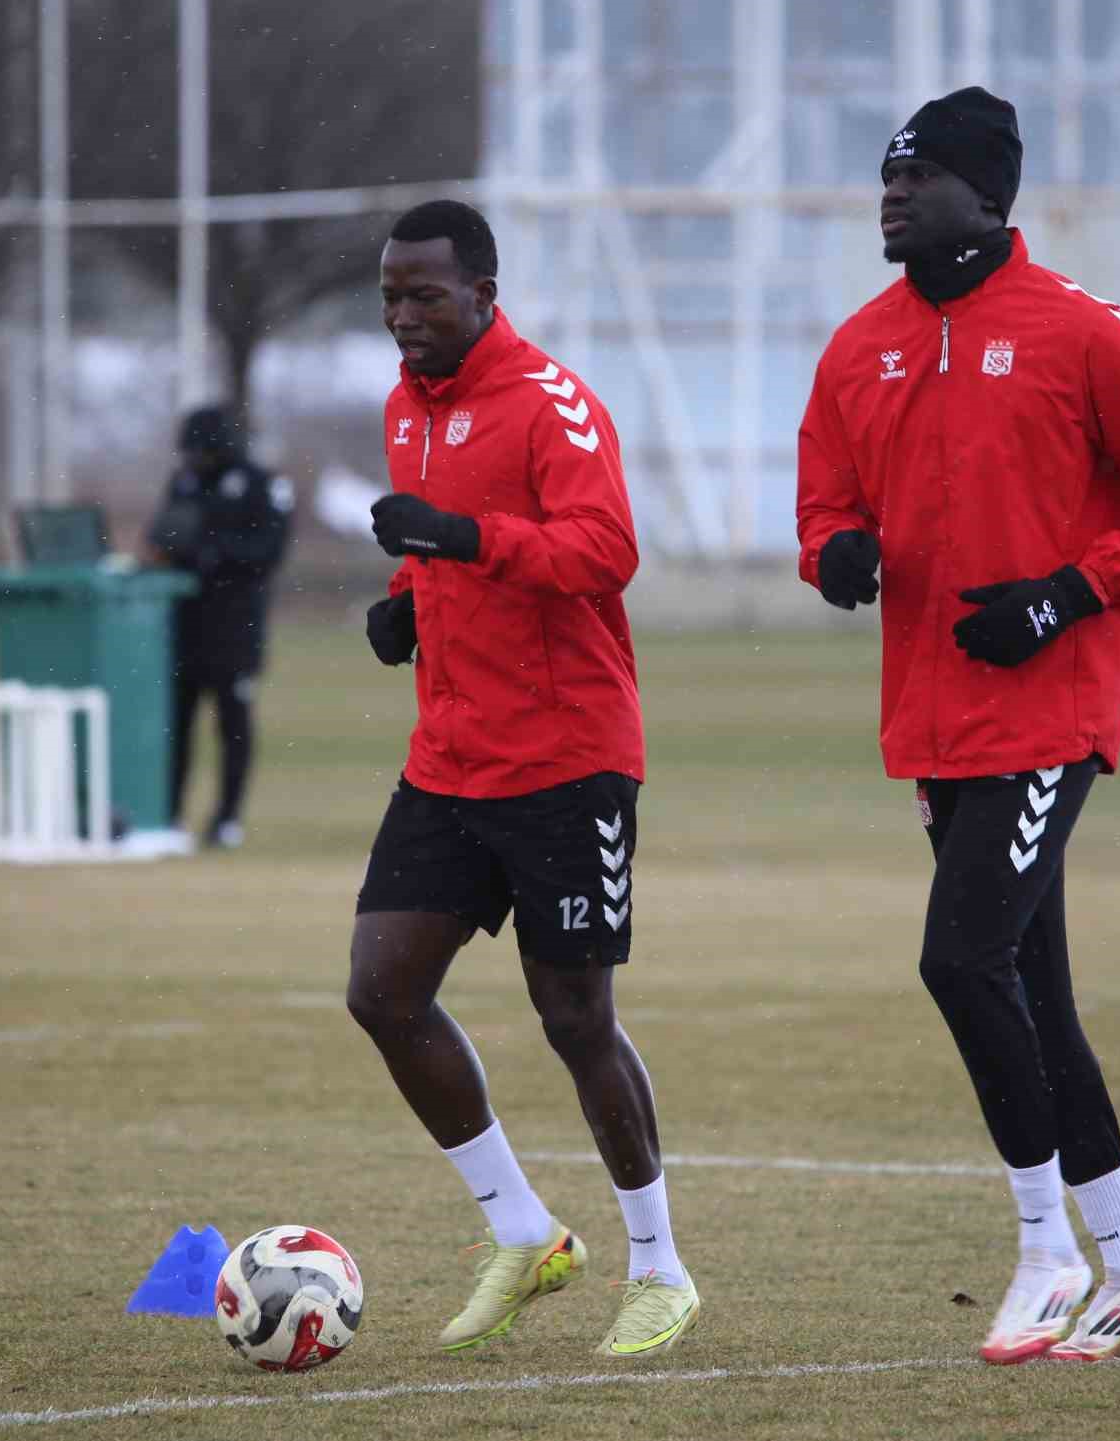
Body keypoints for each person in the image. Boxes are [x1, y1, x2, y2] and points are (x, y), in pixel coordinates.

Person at [795, 88, 1120, 1364]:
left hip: (1048, 707)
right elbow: (823, 495)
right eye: (884, 179)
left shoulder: (1080, 333)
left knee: (959, 960)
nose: (889, 197)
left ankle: (1046, 1250)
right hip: (931, 721)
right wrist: (833, 552)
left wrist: (1060, 597)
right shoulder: (856, 346)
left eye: (914, 178)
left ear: (987, 196)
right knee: (1031, 987)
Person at [346, 199, 699, 1359]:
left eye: (425, 296)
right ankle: (526, 1232)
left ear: (486, 295)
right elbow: (443, 555)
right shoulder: (407, 407)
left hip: (566, 761)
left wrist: (457, 540)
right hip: (449, 757)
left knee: (573, 1017)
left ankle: (659, 1266)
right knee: (382, 991)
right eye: (391, 295)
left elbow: (604, 553)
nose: (403, 317)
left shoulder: (553, 403)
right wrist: (404, 608)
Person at [142, 406, 292, 848]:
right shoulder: (183, 482)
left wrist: (213, 554)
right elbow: (163, 534)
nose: (195, 461)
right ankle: (168, 814)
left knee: (233, 724)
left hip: (235, 624)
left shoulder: (262, 484)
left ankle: (227, 818)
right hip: (184, 625)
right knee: (176, 724)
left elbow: (269, 549)